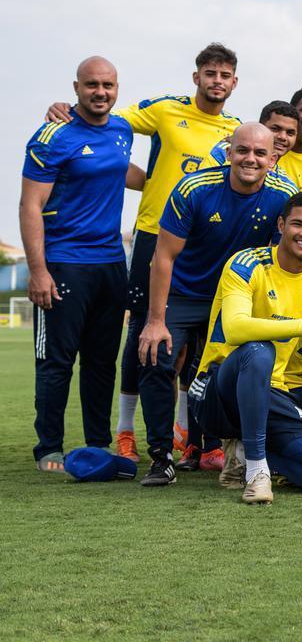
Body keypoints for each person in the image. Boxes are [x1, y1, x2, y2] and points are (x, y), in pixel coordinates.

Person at [47, 43, 242, 461]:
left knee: (198, 340)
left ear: (235, 83)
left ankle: (190, 436)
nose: (217, 81)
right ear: (197, 78)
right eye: (210, 73)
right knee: (143, 333)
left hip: (204, 240)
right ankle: (125, 432)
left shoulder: (237, 130)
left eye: (225, 75)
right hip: (156, 233)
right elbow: (103, 119)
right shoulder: (166, 110)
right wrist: (65, 107)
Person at [136, 123, 297, 484]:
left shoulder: (284, 194)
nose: (250, 159)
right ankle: (161, 456)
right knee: (157, 357)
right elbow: (163, 255)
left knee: (240, 365)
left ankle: (228, 448)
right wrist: (155, 320)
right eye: (242, 150)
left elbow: (276, 260)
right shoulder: (195, 187)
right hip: (185, 292)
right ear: (229, 152)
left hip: (236, 296)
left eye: (259, 153)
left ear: (273, 159)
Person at [188, 192, 302, 504]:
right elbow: (235, 328)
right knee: (258, 350)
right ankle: (257, 474)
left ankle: (248, 453)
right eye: (298, 224)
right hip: (217, 392)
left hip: (271, 396)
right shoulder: (246, 264)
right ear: (281, 225)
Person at [21, 56, 134, 472]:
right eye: (91, 85)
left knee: (103, 362)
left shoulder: (122, 129)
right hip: (64, 264)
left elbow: (123, 171)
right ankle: (48, 447)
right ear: (76, 88)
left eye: (108, 85)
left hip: (110, 265)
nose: (100, 92)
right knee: (56, 361)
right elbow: (30, 205)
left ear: (117, 88)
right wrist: (38, 270)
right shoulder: (53, 135)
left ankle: (97, 443)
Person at [201, 102, 299, 178]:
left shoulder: (282, 178)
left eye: (290, 133)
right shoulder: (223, 152)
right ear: (260, 126)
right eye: (275, 129)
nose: (282, 137)